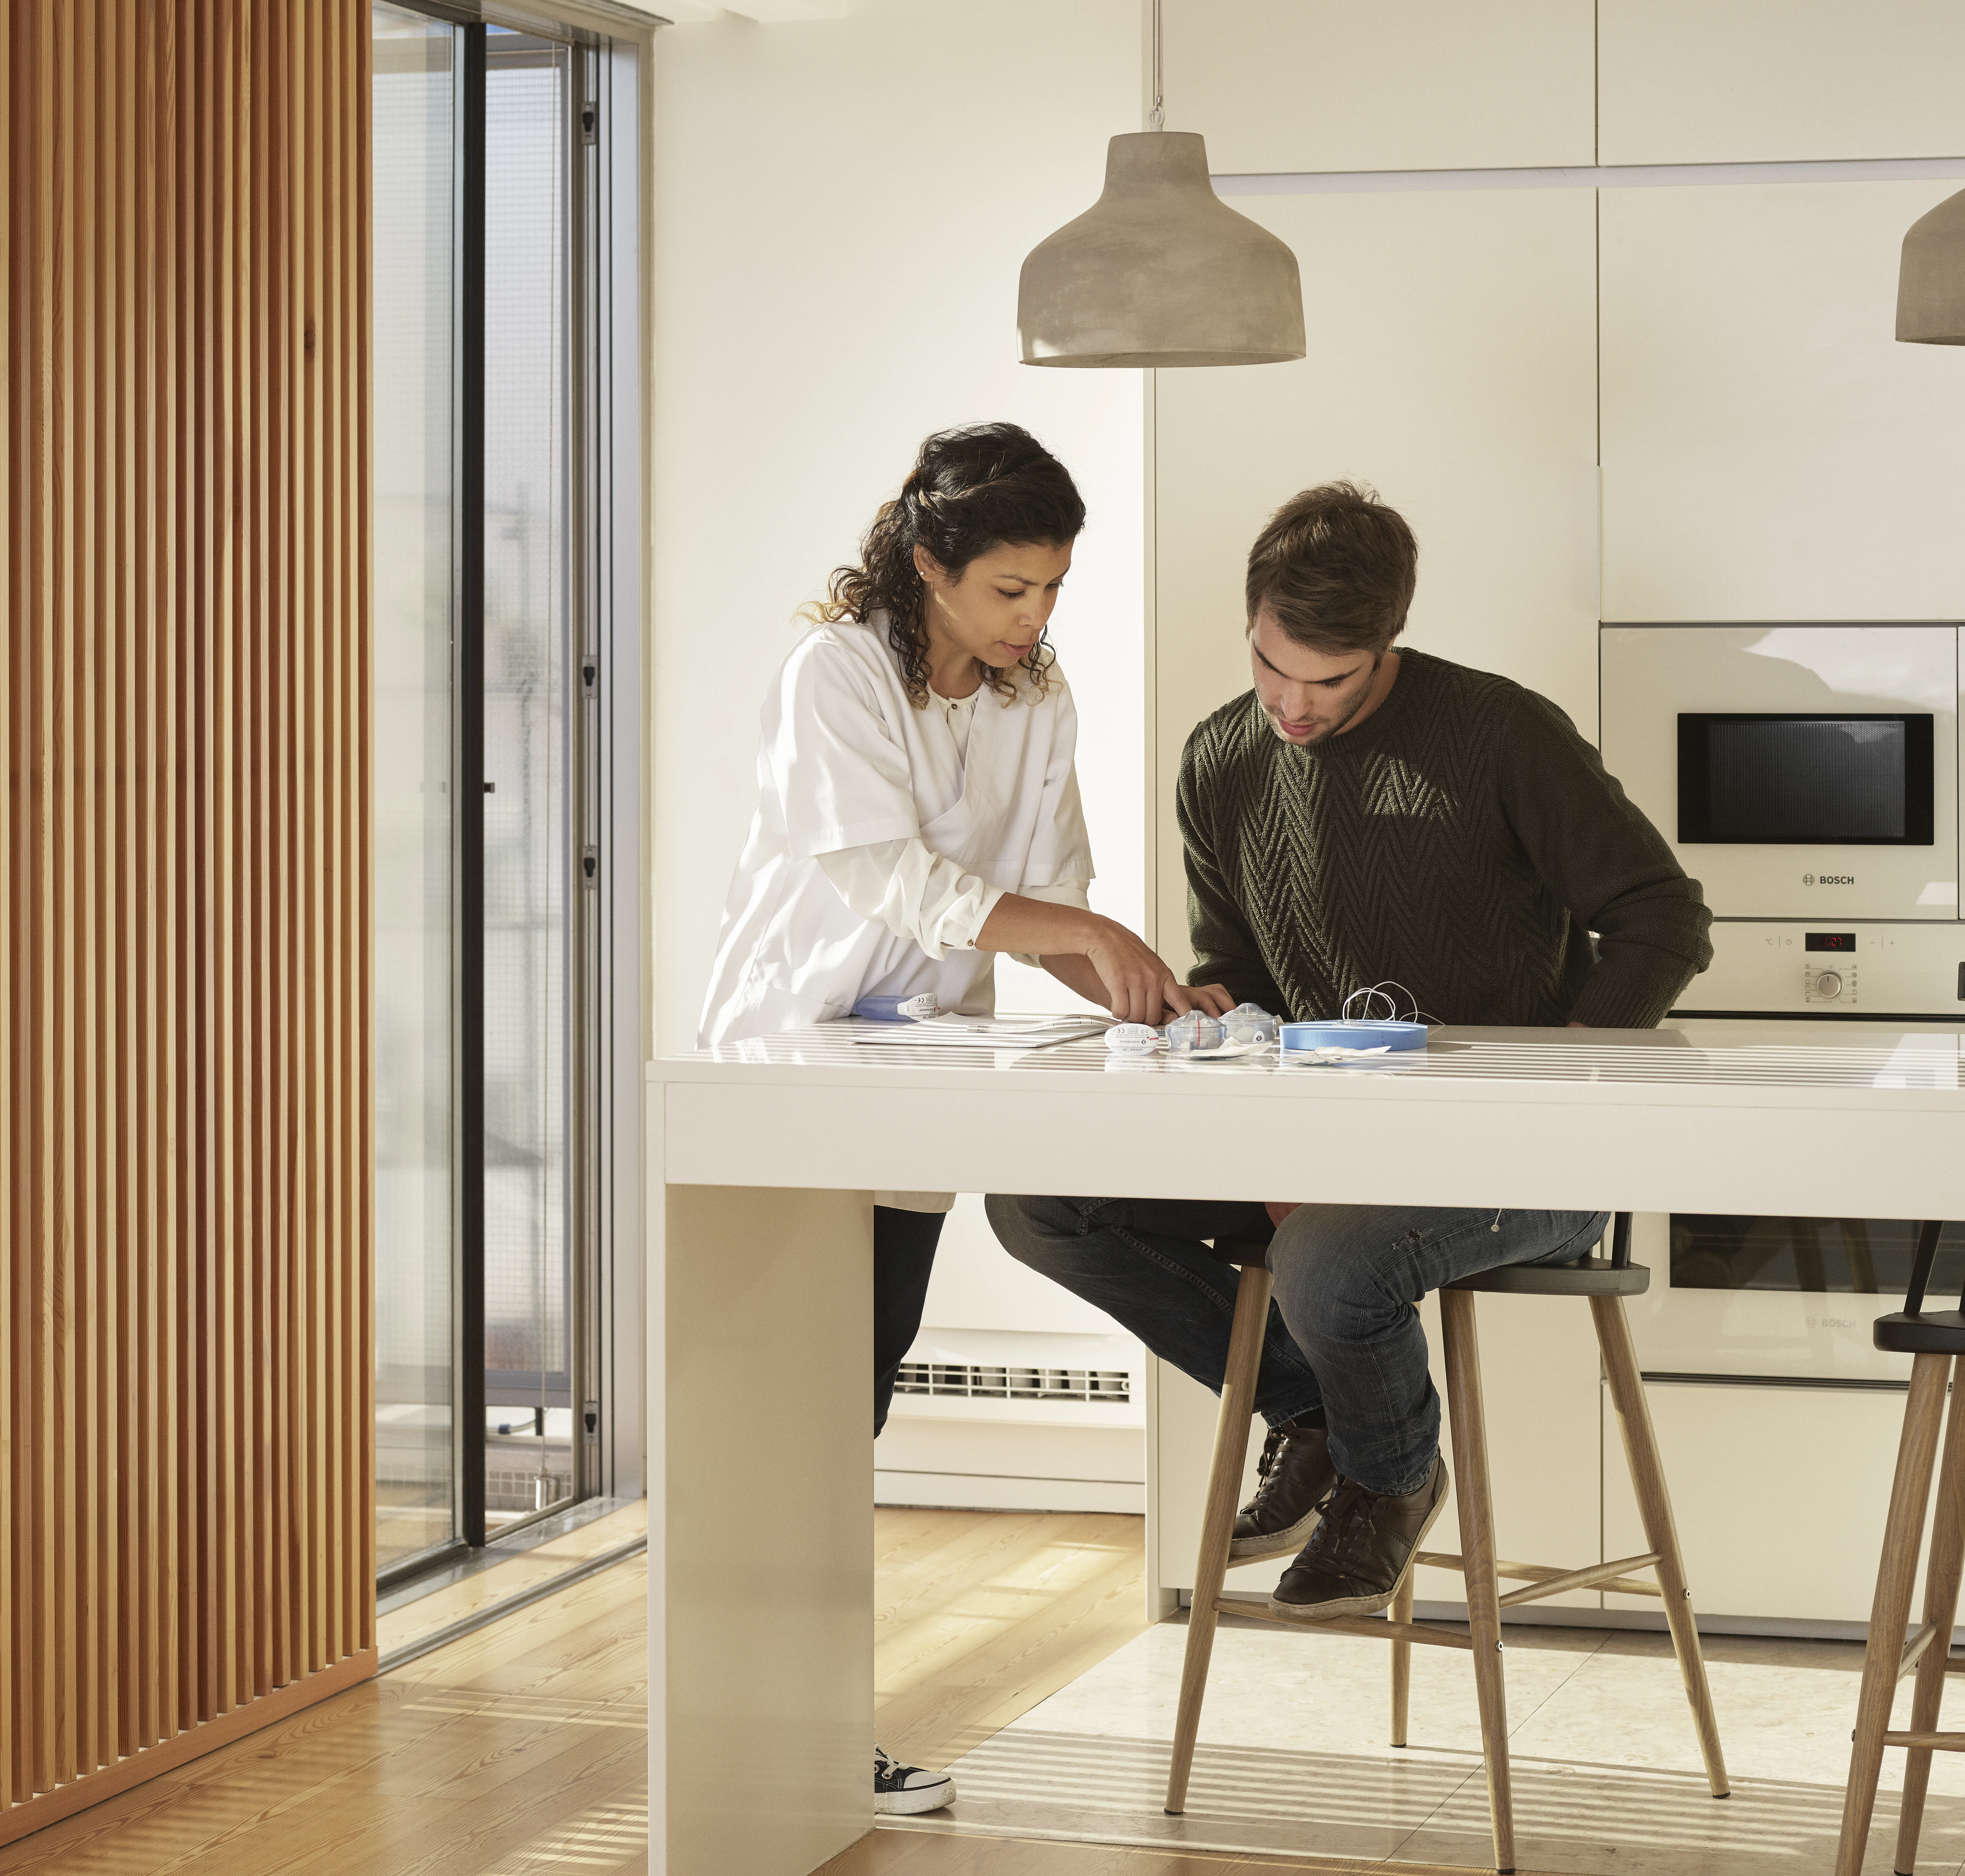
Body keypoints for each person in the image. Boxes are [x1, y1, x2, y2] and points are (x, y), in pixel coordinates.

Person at [990, 480, 1711, 1623]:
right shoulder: (1222, 759)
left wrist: (1564, 1073)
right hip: (1322, 1145)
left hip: (1524, 1160)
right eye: (1275, 665)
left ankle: (1389, 1477)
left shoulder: (1501, 733)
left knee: (1328, 1260)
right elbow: (1244, 960)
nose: (1294, 703)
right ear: (1254, 625)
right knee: (1041, 1202)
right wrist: (1215, 1007)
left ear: (1390, 643)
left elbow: (1663, 918)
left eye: (1332, 678)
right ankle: (1315, 1408)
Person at [697, 421, 1209, 1814]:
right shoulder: (837, 675)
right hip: (783, 1076)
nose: (1034, 619)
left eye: (1051, 589)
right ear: (929, 563)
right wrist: (1085, 932)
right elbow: (891, 876)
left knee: (848, 1404)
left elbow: (1049, 887)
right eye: (1009, 591)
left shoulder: (1035, 695)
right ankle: (767, 1737)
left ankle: (812, 1734)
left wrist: (1140, 981)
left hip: (910, 1085)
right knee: (782, 1418)